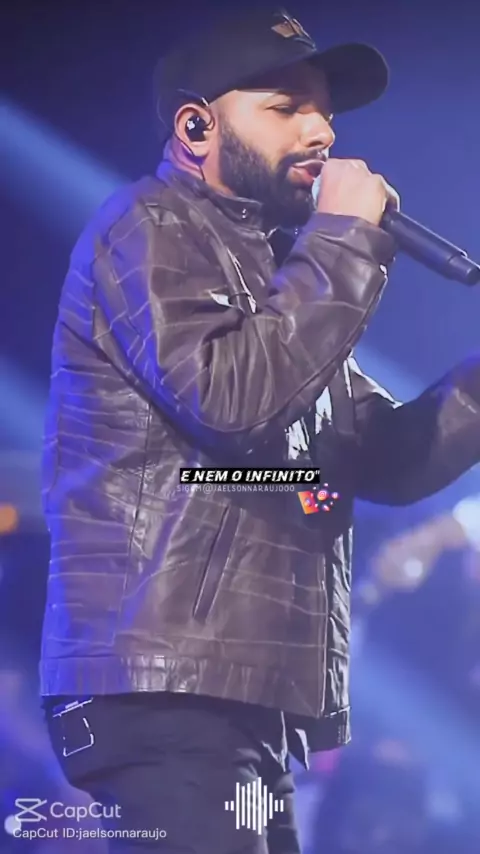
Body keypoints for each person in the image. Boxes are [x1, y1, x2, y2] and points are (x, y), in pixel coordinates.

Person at [40, 7, 480, 853]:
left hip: (246, 701)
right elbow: (232, 402)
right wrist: (344, 240)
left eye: (325, 111)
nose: (322, 131)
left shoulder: (281, 277)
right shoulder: (147, 228)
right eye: (286, 107)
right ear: (195, 128)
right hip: (164, 690)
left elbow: (386, 459)